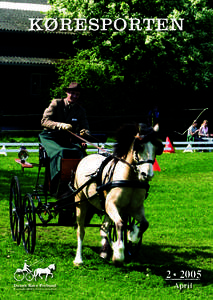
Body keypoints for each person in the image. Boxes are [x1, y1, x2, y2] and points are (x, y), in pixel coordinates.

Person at [39, 82, 90, 191]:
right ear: (67, 92)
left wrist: (85, 133)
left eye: (77, 94)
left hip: (67, 139)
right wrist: (59, 125)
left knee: (80, 153)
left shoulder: (80, 110)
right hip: (50, 138)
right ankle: (56, 184)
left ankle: (77, 182)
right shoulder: (56, 103)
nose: (75, 96)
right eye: (72, 93)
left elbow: (85, 127)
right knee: (61, 153)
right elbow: (44, 121)